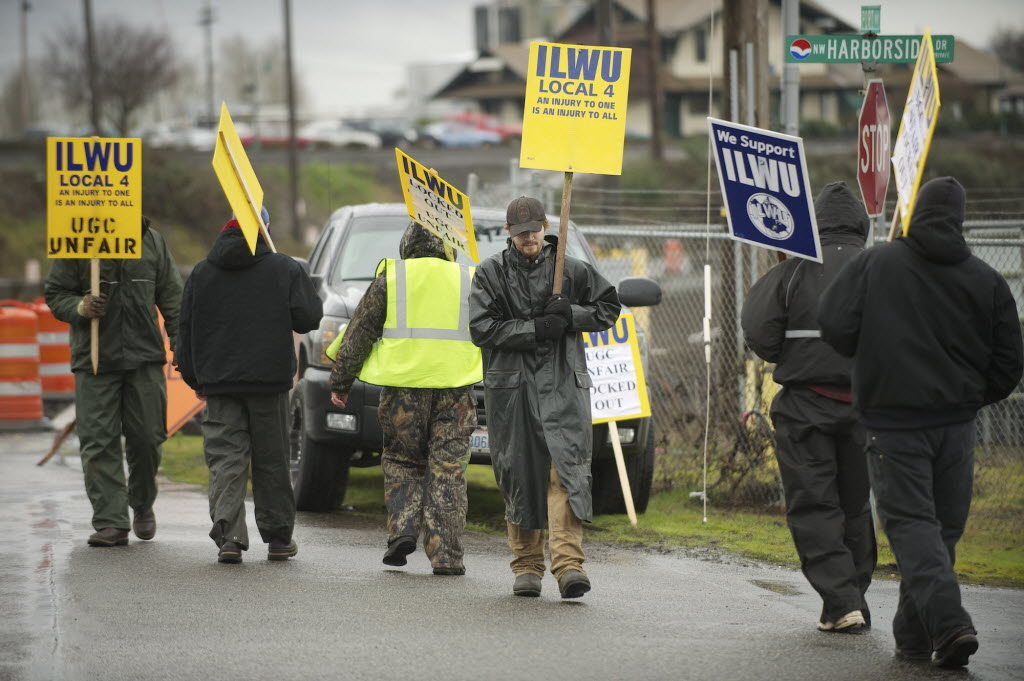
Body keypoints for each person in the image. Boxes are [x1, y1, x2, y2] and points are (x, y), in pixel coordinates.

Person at [818, 177, 1023, 667]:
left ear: (913, 213)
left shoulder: (877, 263)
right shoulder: (986, 280)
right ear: (960, 217)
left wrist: (867, 357)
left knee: (913, 526)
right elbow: (1009, 362)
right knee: (941, 531)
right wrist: (972, 397)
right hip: (955, 426)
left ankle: (947, 624)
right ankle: (914, 639)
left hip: (893, 423)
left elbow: (834, 323)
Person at [469, 196, 620, 599]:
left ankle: (569, 565)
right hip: (512, 391)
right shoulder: (490, 274)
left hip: (563, 389)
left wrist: (571, 314)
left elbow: (608, 308)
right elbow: (482, 328)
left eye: (533, 231)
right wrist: (536, 329)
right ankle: (526, 567)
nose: (528, 239)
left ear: (545, 226)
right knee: (521, 475)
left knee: (564, 473)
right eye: (520, 234)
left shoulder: (570, 271)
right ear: (508, 234)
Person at [741, 182, 876, 633]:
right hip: (867, 408)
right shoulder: (881, 268)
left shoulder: (794, 268)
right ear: (861, 223)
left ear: (812, 224)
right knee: (856, 506)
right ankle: (853, 596)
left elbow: (760, 334)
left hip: (805, 406)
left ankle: (841, 603)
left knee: (815, 505)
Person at [328, 221, 480, 575]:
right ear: (447, 246)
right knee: (448, 468)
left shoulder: (391, 277)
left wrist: (340, 381)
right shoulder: (468, 279)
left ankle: (402, 530)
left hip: (401, 390)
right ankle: (446, 557)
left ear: (407, 244)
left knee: (400, 459)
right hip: (454, 390)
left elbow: (360, 331)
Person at [175, 207, 323, 564]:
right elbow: (310, 317)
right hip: (268, 382)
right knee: (272, 460)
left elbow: (186, 331)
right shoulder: (284, 268)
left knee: (227, 459)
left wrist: (195, 378)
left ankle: (229, 539)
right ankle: (278, 539)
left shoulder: (202, 273)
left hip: (219, 384)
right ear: (265, 228)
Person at [44, 215, 183, 547]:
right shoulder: (76, 240)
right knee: (98, 440)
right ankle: (111, 520)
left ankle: (142, 502)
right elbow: (55, 293)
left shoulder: (152, 241)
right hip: (94, 359)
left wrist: (182, 343)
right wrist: (78, 306)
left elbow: (173, 297)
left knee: (148, 437)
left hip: (145, 356)